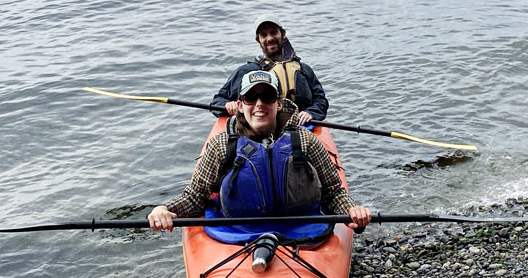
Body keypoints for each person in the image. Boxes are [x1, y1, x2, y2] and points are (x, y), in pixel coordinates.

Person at [149, 70, 370, 232]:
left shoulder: (305, 140)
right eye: (251, 98)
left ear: (279, 104)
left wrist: (351, 210)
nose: (259, 104)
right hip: (239, 230)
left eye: (267, 97)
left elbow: (333, 193)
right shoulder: (221, 146)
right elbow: (195, 197)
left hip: (303, 226)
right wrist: (165, 208)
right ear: (240, 104)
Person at [209, 18, 328, 126]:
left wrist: (311, 112)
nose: (270, 38)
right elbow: (218, 101)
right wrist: (227, 105)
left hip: (301, 125)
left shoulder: (304, 70)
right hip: (260, 127)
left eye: (273, 32)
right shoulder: (246, 71)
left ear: (283, 34)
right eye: (264, 35)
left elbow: (321, 100)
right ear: (258, 40)